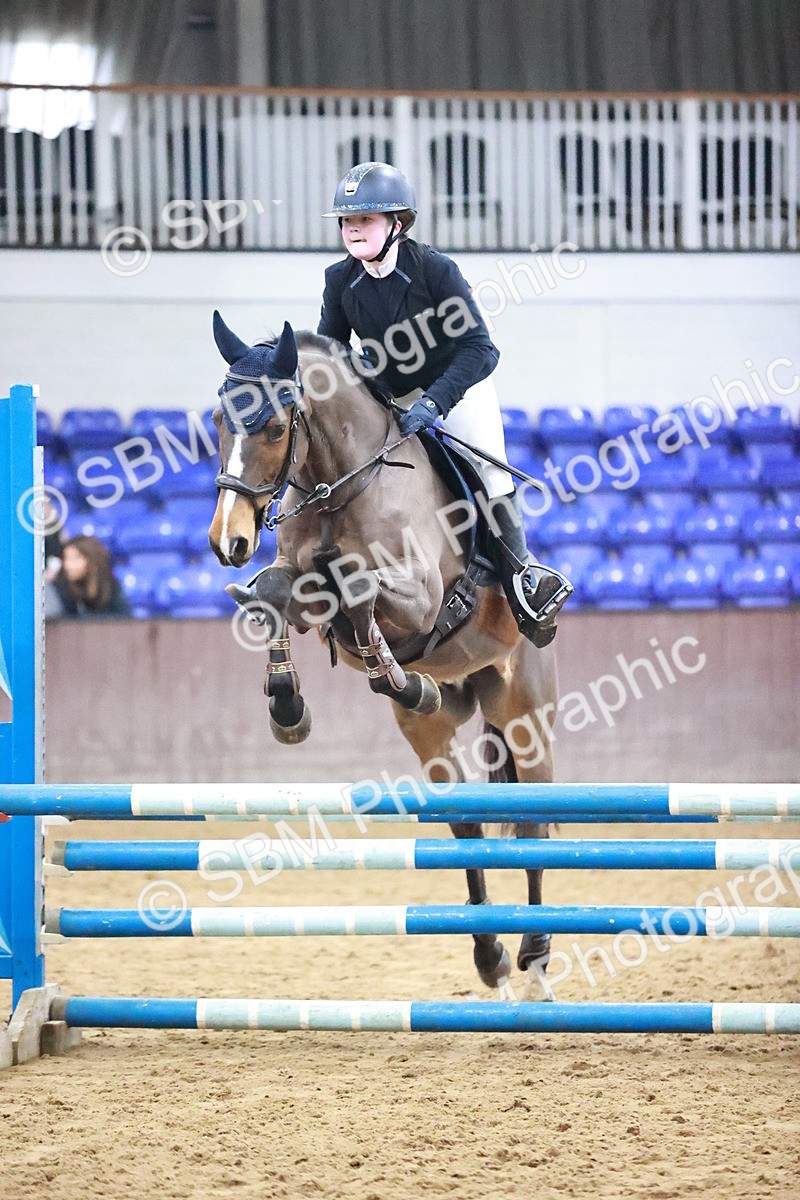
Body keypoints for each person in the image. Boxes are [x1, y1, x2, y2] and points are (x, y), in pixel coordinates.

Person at [317, 161, 571, 646]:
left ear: (397, 223)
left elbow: (481, 349)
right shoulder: (338, 279)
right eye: (347, 221)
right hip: (392, 399)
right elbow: (331, 353)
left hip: (458, 389)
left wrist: (435, 403)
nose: (352, 229)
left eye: (365, 219)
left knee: (489, 473)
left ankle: (522, 583)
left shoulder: (435, 271)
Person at [48, 535, 131, 619]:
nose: (68, 565)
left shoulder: (111, 587)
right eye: (66, 558)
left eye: (76, 558)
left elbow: (122, 619)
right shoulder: (60, 588)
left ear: (92, 559)